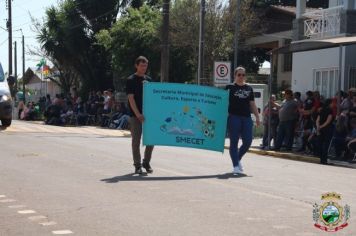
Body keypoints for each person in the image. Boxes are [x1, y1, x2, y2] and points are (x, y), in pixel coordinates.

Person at [226, 66, 260, 175]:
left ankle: (237, 159)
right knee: (234, 142)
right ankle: (235, 166)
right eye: (239, 74)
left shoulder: (249, 88)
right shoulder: (229, 87)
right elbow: (222, 102)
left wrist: (257, 117)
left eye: (243, 75)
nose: (241, 77)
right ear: (235, 75)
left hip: (246, 118)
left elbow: (252, 104)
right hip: (234, 117)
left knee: (248, 141)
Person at [126, 56, 154, 174]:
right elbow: (131, 99)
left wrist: (149, 87)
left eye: (145, 65)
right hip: (135, 115)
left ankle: (146, 162)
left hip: (149, 116)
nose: (144, 68)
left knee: (151, 140)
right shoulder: (130, 80)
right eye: (142, 65)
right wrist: (138, 114)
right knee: (136, 141)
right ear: (136, 65)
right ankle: (137, 165)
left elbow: (154, 97)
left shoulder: (149, 80)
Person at [316, 99, 334, 164]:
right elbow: (328, 121)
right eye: (332, 103)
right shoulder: (330, 111)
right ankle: (324, 160)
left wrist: (318, 127)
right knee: (326, 145)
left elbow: (317, 120)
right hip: (327, 129)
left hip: (320, 129)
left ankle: (320, 158)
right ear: (329, 104)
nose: (333, 104)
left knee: (320, 144)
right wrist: (322, 126)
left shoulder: (321, 110)